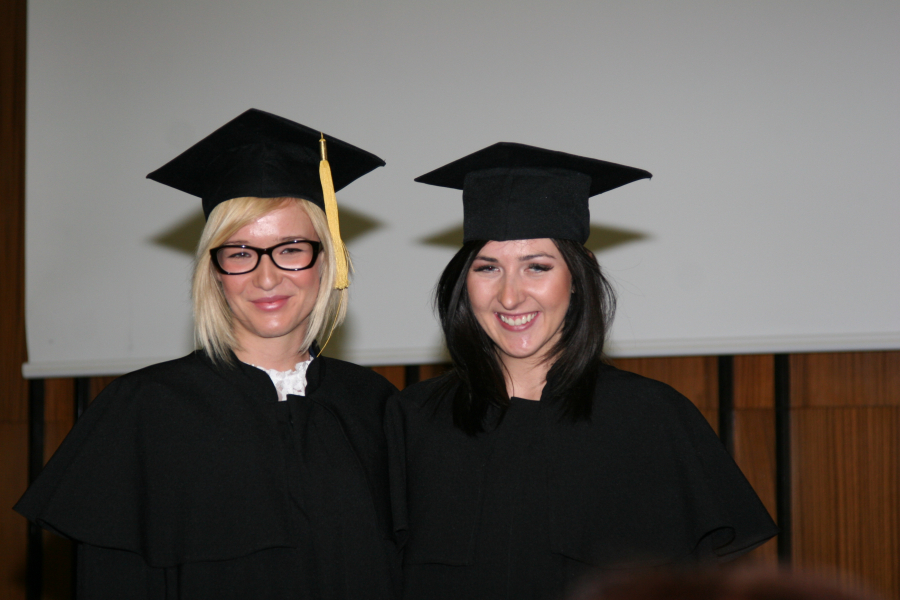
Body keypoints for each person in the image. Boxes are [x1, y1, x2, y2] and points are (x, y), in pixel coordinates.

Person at [16, 109, 399, 600]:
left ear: (326, 260)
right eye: (239, 252)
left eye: (291, 249)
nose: (266, 277)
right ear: (214, 271)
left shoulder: (373, 405)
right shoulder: (146, 409)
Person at [386, 142, 778, 600]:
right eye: (488, 268)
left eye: (537, 267)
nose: (509, 296)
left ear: (578, 276)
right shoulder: (413, 420)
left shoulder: (650, 418)